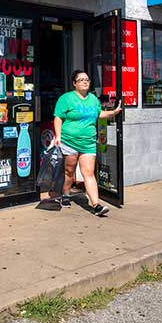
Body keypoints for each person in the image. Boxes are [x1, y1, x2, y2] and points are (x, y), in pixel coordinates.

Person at [53, 70, 122, 216]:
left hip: (88, 142)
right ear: (74, 84)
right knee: (69, 172)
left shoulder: (93, 99)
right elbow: (58, 117)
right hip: (69, 141)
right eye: (81, 80)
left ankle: (96, 205)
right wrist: (58, 135)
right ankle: (65, 194)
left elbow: (99, 114)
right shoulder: (66, 99)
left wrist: (114, 112)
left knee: (89, 173)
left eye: (87, 80)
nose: (85, 82)